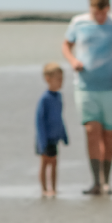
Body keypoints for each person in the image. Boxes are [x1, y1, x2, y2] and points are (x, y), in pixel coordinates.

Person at [61, 0, 112, 195]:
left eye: (103, 12)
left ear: (109, 8)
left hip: (111, 87)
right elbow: (66, 45)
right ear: (90, 8)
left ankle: (107, 182)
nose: (100, 17)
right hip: (85, 86)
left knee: (108, 134)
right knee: (91, 131)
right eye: (96, 12)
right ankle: (95, 182)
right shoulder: (79, 23)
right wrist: (73, 60)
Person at [35, 63, 70, 197]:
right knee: (45, 163)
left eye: (62, 79)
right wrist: (42, 141)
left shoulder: (59, 97)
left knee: (54, 163)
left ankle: (54, 188)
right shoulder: (45, 99)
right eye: (58, 79)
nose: (61, 82)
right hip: (44, 138)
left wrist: (64, 135)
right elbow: (39, 121)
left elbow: (59, 117)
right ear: (48, 79)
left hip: (55, 137)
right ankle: (44, 189)